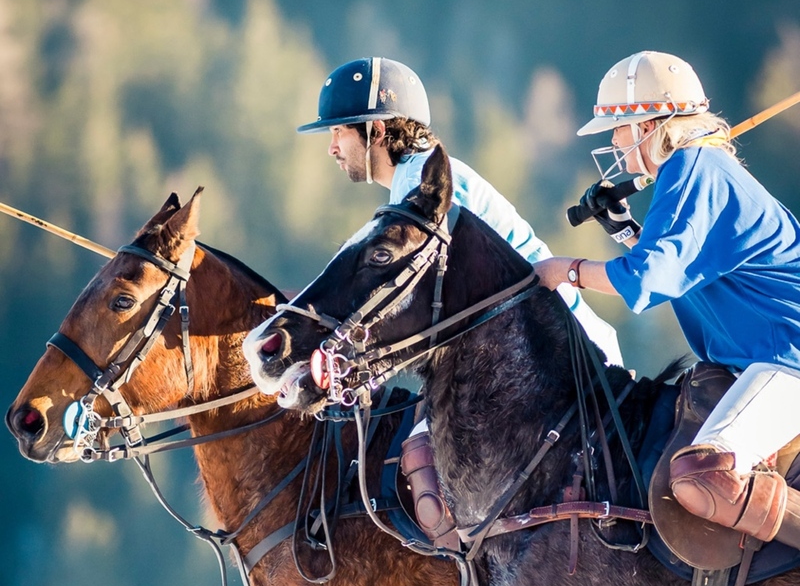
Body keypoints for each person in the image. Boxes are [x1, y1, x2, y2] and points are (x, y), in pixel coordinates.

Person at [534, 50, 800, 548]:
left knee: (701, 474)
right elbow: (683, 267)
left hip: (788, 358)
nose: (615, 140)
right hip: (765, 357)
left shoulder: (694, 167)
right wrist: (623, 231)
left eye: (619, 127)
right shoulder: (699, 168)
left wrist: (565, 271)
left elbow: (645, 282)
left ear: (651, 124)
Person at [297, 56, 623, 367]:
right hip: (535, 343)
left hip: (564, 352)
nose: (332, 147)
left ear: (377, 131)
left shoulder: (422, 186)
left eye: (339, 131)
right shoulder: (415, 179)